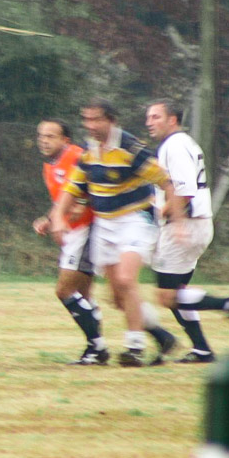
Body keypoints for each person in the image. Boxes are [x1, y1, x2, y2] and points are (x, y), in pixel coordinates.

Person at [51, 99, 181, 367]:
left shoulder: (131, 148)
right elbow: (74, 186)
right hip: (106, 224)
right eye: (86, 120)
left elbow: (167, 182)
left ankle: (134, 348)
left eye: (96, 119)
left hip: (136, 219)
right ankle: (164, 337)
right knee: (118, 297)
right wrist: (56, 217)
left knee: (125, 279)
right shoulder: (89, 149)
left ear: (111, 120)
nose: (90, 126)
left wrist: (178, 222)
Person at [145, 100, 229, 363]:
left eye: (156, 117)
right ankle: (202, 349)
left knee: (167, 296)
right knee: (179, 294)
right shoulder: (182, 143)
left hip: (186, 226)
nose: (149, 122)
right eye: (148, 117)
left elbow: (185, 191)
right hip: (197, 225)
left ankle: (228, 304)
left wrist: (165, 214)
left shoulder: (175, 145)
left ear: (173, 120)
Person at [32, 119, 107, 365]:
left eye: (50, 136)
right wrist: (49, 218)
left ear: (66, 140)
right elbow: (63, 199)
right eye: (41, 135)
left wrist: (84, 203)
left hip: (89, 229)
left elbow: (98, 183)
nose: (44, 140)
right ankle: (97, 349)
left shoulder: (77, 156)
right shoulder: (49, 166)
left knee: (64, 290)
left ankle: (98, 347)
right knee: (84, 294)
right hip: (76, 232)